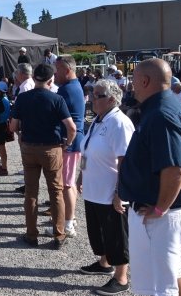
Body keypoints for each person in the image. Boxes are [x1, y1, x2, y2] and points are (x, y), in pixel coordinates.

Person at [118, 59, 181, 296]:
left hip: (158, 218)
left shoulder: (161, 114)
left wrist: (159, 209)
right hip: (158, 215)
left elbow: (176, 169)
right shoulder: (160, 108)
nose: (131, 84)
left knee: (159, 288)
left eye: (134, 78)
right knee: (169, 278)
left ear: (145, 81)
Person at [75, 79, 133, 295]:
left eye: (97, 95)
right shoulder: (99, 120)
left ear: (111, 99)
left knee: (116, 234)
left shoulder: (119, 123)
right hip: (93, 189)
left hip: (110, 192)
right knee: (99, 231)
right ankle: (104, 263)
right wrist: (81, 175)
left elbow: (124, 161)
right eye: (91, 94)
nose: (92, 99)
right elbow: (87, 151)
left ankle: (121, 277)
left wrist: (120, 192)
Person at [10, 63, 77, 249]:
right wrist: (67, 144)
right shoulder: (56, 98)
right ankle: (58, 234)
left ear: (34, 78)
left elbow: (13, 127)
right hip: (52, 148)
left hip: (29, 148)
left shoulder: (22, 98)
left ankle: (31, 235)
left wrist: (21, 135)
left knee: (31, 193)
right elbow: (72, 128)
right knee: (56, 192)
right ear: (51, 80)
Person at [43, 55, 85, 238]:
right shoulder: (71, 87)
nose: (54, 73)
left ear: (67, 70)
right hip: (72, 141)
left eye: (57, 69)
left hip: (69, 142)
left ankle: (67, 225)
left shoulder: (66, 90)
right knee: (68, 183)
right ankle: (69, 218)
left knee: (66, 184)